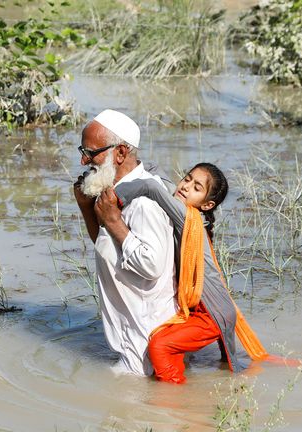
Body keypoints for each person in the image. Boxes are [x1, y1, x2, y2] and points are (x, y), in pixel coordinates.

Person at [111, 163, 273, 384]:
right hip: (216, 309)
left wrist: (111, 199)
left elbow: (151, 187)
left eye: (196, 187)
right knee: (231, 370)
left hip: (211, 314)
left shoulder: (187, 217)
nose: (186, 187)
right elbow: (163, 183)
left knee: (160, 344)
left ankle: (174, 400)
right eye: (187, 179)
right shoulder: (192, 215)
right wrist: (146, 167)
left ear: (207, 205)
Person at [72, 109, 178, 376]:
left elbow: (151, 264)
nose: (84, 160)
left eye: (91, 152)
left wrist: (115, 222)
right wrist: (87, 208)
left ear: (120, 153)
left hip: (146, 350)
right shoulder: (115, 192)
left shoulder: (144, 200)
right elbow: (110, 246)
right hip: (131, 344)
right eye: (82, 150)